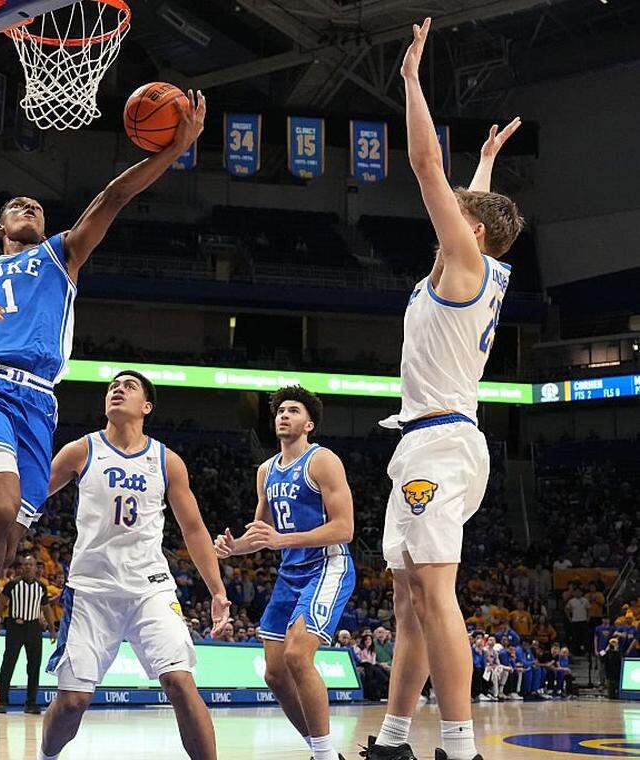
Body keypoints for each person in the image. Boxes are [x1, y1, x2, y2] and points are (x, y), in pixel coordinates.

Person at [0, 93, 208, 717]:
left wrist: (173, 150)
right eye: (16, 206)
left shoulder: (60, 257)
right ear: (0, 230)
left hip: (38, 407)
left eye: (36, 205)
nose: (29, 205)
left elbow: (112, 199)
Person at [366, 18, 526, 760]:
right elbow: (469, 205)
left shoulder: (465, 263)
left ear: (474, 233)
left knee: (434, 594)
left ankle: (460, 747)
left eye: (463, 211)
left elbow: (426, 165)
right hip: (430, 441)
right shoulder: (481, 268)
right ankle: (396, 739)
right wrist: (489, 164)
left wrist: (409, 81)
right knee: (409, 601)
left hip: (441, 442)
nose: (447, 211)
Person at [40, 371, 229, 760]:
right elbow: (31, 497)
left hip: (150, 588)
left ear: (146, 407)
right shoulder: (81, 450)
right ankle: (46, 756)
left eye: (129, 386)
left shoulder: (166, 460)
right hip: (91, 591)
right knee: (73, 702)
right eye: (112, 385)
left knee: (179, 681)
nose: (117, 389)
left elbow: (193, 529)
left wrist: (217, 590)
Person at [216, 386, 355, 760]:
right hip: (289, 572)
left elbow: (345, 528)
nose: (283, 415)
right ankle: (318, 749)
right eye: (280, 411)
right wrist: (233, 547)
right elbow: (262, 534)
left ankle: (325, 756)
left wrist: (282, 539)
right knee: (274, 674)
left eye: (293, 411)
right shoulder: (266, 471)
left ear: (309, 423)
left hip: (327, 564)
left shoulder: (322, 460)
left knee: (297, 655)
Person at [0, 554, 58, 714]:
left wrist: (52, 628)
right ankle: (2, 701)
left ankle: (31, 703)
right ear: (22, 567)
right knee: (8, 663)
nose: (28, 567)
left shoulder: (41, 587)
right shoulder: (13, 585)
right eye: (26, 564)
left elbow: (46, 608)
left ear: (36, 568)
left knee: (34, 666)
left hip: (34, 628)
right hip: (16, 626)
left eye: (31, 565)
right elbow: (1, 604)